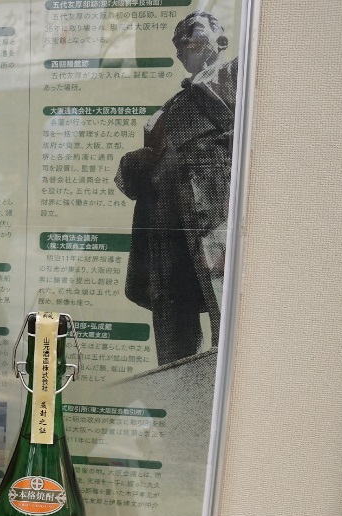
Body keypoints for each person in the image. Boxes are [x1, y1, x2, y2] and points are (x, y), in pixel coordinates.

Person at [115, 10, 237, 366]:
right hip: (163, 211)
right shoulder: (169, 107)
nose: (183, 42)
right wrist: (136, 162)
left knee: (219, 285)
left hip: (210, 200)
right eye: (177, 40)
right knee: (169, 298)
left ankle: (222, 371)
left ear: (221, 41)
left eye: (193, 31)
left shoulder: (236, 74)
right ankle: (173, 375)